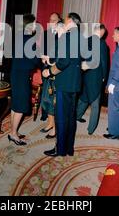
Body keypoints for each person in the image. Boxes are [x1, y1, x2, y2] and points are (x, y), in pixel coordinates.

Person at [42, 13, 82, 157]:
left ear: (70, 21)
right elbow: (71, 61)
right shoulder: (79, 37)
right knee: (70, 117)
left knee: (61, 118)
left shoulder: (67, 37)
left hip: (64, 83)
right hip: (74, 83)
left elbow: (64, 63)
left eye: (64, 20)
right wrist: (52, 60)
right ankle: (68, 148)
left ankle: (60, 149)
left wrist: (50, 72)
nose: (63, 22)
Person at [8, 14, 40, 145]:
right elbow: (34, 60)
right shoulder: (29, 39)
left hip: (15, 73)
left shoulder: (18, 37)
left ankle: (12, 131)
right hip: (22, 76)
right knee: (21, 106)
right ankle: (13, 134)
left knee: (15, 104)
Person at [76, 23, 108, 135]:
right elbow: (104, 62)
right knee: (95, 102)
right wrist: (104, 76)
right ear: (102, 32)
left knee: (84, 97)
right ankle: (91, 128)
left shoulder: (85, 40)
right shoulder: (102, 43)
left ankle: (77, 115)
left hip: (84, 73)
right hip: (95, 76)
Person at [40, 12, 63, 138]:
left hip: (55, 70)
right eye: (50, 19)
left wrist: (49, 60)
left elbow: (60, 60)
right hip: (46, 68)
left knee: (53, 98)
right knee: (46, 97)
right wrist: (44, 59)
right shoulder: (45, 33)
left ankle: (54, 126)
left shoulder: (63, 39)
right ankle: (49, 122)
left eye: (54, 20)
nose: (52, 22)